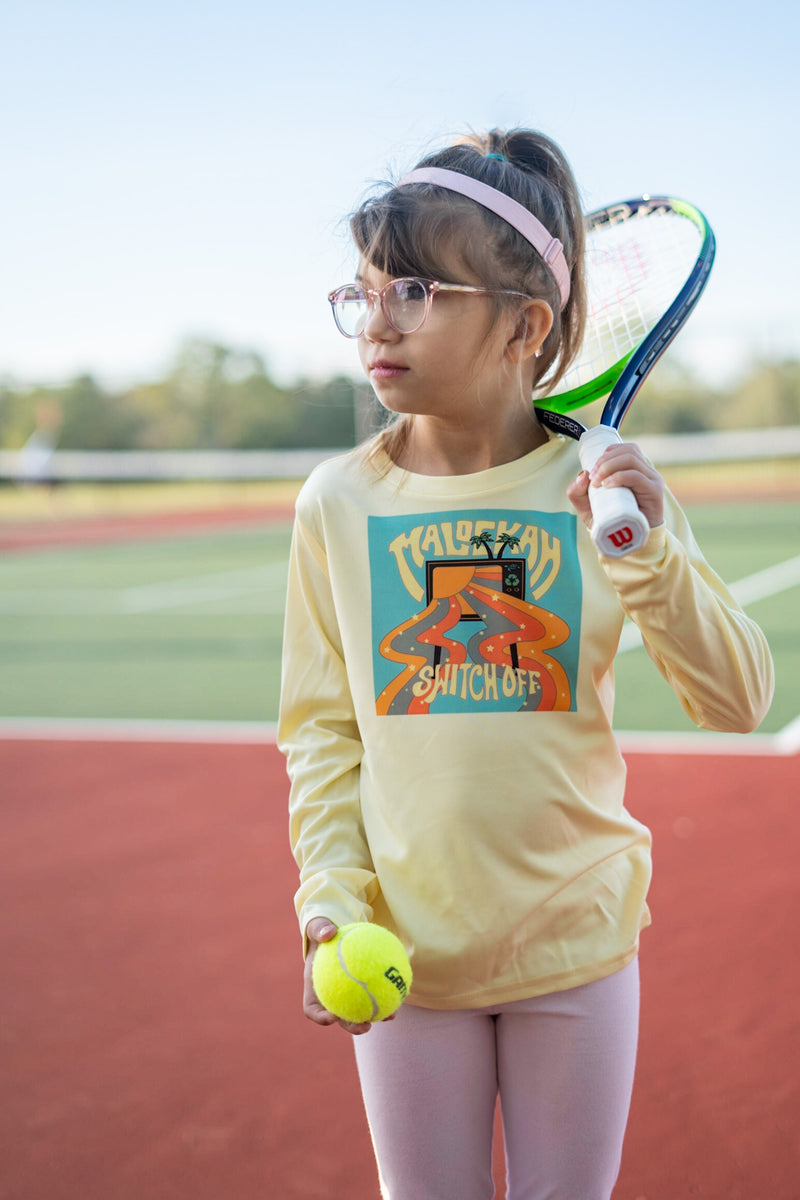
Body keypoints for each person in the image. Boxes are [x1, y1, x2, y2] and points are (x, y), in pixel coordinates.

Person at [278, 128, 774, 1200]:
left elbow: (739, 700)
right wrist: (331, 896)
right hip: (405, 952)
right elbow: (322, 733)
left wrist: (647, 556)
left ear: (526, 324)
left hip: (576, 943)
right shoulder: (336, 503)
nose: (377, 320)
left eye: (415, 291)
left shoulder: (606, 492)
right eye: (363, 291)